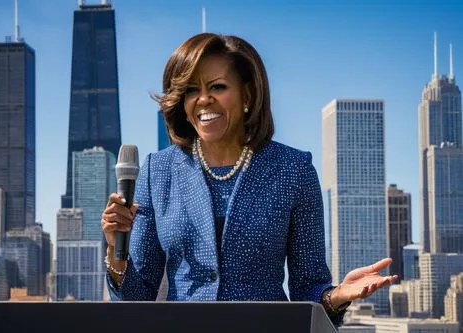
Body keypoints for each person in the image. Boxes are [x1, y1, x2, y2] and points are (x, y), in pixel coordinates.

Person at [101, 32, 397, 325]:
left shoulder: (293, 169)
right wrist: (116, 251)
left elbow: (308, 288)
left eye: (217, 86)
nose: (203, 99)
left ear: (248, 94)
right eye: (191, 90)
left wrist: (337, 296)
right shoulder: (157, 170)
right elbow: (136, 297)